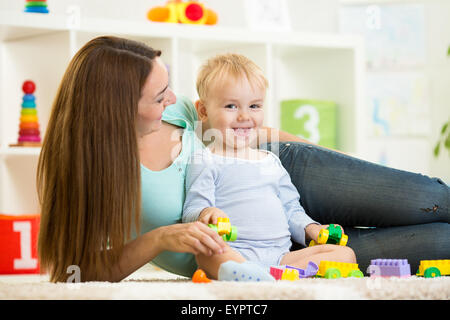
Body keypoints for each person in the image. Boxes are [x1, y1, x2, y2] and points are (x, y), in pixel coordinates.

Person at [37, 36, 449, 283]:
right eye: (159, 96)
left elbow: (254, 131)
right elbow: (77, 270)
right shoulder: (92, 175)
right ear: (117, 107)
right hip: (258, 253)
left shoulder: (178, 111)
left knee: (430, 199)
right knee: (440, 241)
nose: (171, 101)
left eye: (169, 88)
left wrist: (336, 161)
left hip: (281, 174)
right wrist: (161, 238)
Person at [182, 53, 356, 281]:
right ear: (203, 110)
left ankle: (273, 275)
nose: (245, 116)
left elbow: (291, 208)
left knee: (346, 254)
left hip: (281, 256)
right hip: (236, 253)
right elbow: (190, 212)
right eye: (231, 106)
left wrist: (312, 229)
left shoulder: (270, 161)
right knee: (208, 257)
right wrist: (207, 213)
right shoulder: (205, 159)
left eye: (254, 106)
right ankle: (263, 274)